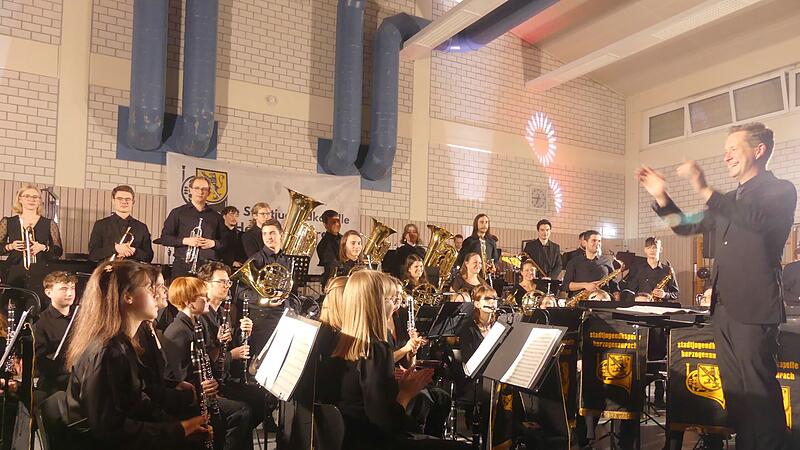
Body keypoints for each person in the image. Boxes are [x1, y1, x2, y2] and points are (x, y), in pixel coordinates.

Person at [637, 122, 796, 450]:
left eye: (733, 149)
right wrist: (661, 196)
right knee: (737, 399)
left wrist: (704, 187)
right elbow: (684, 227)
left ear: (758, 150)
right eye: (725, 151)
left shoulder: (779, 190)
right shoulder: (729, 200)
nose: (726, 157)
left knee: (760, 400)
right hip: (722, 311)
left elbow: (752, 219)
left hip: (753, 310)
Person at [63, 260, 210, 449]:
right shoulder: (108, 352)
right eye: (149, 288)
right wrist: (179, 430)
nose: (156, 294)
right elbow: (109, 430)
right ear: (128, 297)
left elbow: (138, 403)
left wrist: (178, 426)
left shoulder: (123, 345)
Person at [315, 270, 466, 450]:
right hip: (371, 441)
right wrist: (406, 393)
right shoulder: (376, 349)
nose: (396, 306)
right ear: (376, 304)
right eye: (390, 300)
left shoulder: (337, 341)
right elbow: (386, 423)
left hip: (345, 438)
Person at [162, 276, 252, 450]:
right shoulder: (179, 331)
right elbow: (182, 378)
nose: (207, 299)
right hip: (185, 399)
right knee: (241, 411)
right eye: (202, 296)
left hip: (199, 392)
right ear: (189, 303)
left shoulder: (192, 325)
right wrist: (205, 389)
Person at [196, 262, 263, 432]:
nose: (227, 286)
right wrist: (232, 355)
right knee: (245, 409)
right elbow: (205, 358)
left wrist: (244, 333)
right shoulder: (201, 317)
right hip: (212, 384)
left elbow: (231, 347)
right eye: (222, 282)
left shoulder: (224, 312)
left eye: (228, 282)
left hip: (225, 377)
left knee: (262, 398)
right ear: (206, 285)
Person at [0, 184, 63, 309]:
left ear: (40, 201)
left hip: (39, 273)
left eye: (35, 197)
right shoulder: (8, 222)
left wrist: (43, 248)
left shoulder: (49, 224)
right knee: (11, 309)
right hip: (14, 272)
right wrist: (10, 246)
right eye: (27, 196)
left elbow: (58, 251)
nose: (31, 199)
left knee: (38, 309)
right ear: (20, 199)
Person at [237, 218, 291, 358]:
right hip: (262, 315)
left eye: (272, 233)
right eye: (265, 234)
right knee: (264, 359)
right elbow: (240, 291)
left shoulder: (288, 260)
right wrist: (265, 299)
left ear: (281, 234)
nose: (268, 237)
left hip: (283, 314)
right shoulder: (256, 260)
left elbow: (291, 288)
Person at [159, 176, 225, 276]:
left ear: (209, 192)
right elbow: (165, 238)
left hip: (207, 268)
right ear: (190, 190)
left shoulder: (216, 216)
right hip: (183, 265)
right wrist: (185, 241)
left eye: (204, 189)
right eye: (197, 188)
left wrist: (213, 243)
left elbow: (226, 242)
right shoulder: (178, 213)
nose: (200, 192)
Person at [33, 271, 76, 399]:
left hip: (81, 377)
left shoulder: (82, 316)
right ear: (48, 292)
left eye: (72, 288)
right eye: (63, 289)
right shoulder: (40, 322)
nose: (69, 293)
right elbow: (41, 363)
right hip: (56, 384)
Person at [88, 185, 154, 264]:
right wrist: (115, 248)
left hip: (133, 273)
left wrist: (134, 251)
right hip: (107, 272)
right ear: (113, 201)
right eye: (120, 198)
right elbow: (93, 255)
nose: (124, 202)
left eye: (128, 199)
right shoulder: (101, 225)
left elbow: (149, 257)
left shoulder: (142, 227)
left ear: (133, 202)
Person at [561, 230, 619, 301]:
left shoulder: (607, 261)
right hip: (580, 302)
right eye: (594, 240)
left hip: (602, 303)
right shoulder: (574, 262)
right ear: (585, 243)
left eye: (599, 241)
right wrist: (585, 285)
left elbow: (614, 286)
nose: (597, 243)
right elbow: (566, 285)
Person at [624, 237, 679, 302]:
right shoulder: (638, 269)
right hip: (643, 307)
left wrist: (665, 295)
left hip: (661, 308)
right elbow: (631, 291)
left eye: (654, 248)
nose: (651, 250)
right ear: (645, 250)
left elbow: (676, 294)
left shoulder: (668, 270)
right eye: (648, 248)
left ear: (660, 249)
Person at [456, 214, 499, 281]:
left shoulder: (492, 242)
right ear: (476, 224)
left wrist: (493, 266)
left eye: (486, 222)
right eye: (481, 222)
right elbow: (461, 260)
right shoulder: (469, 241)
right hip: (471, 278)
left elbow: (495, 259)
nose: (484, 224)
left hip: (487, 278)